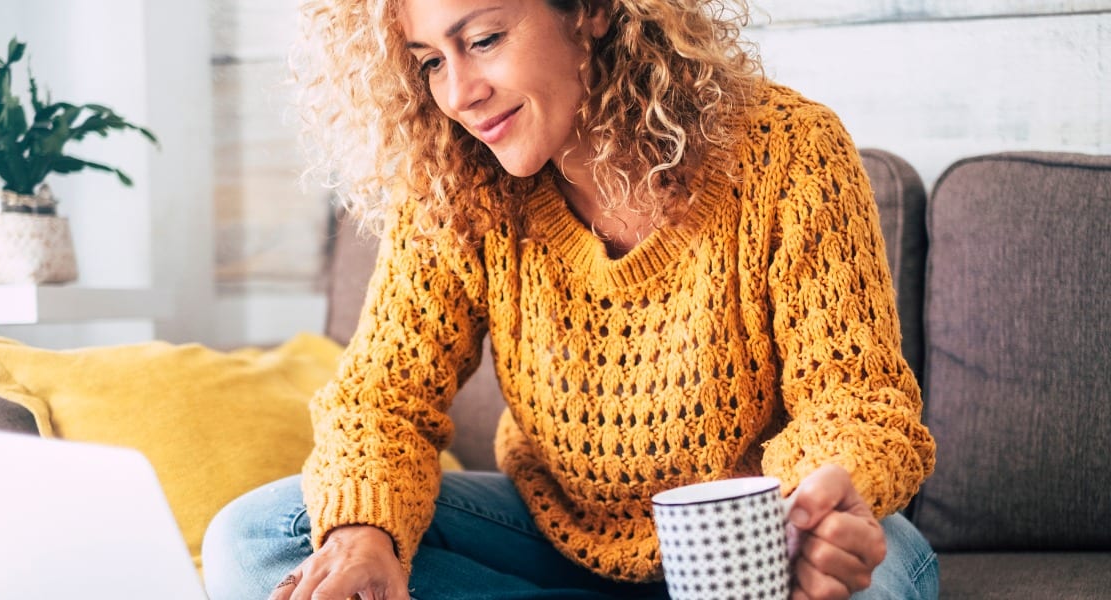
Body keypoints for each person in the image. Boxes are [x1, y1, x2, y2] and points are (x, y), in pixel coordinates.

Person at [201, 0, 939, 598]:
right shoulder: (460, 186)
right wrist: (365, 535)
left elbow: (857, 405)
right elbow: (381, 401)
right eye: (431, 61)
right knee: (261, 537)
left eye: (484, 39)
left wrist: (809, 515)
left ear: (588, 10)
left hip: (752, 545)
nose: (459, 93)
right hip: (555, 542)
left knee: (871, 582)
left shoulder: (789, 152)